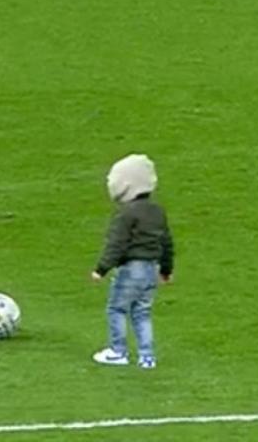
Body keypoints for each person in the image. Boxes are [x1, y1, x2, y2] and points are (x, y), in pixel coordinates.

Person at [90, 154, 174, 368]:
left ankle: (118, 351)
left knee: (116, 309)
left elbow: (117, 244)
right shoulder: (157, 212)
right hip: (151, 269)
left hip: (132, 269)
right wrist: (166, 269)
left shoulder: (126, 215)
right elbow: (166, 241)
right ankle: (147, 357)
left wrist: (101, 269)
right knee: (142, 312)